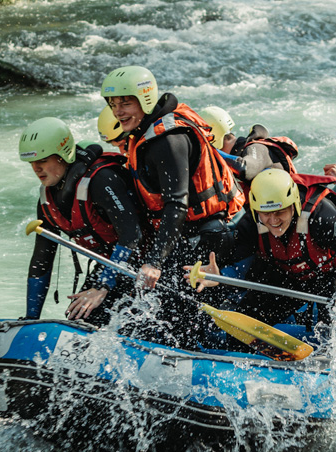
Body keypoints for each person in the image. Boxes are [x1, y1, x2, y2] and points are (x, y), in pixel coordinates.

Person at [188, 168, 336, 336]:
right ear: (256, 211)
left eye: (280, 211)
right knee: (240, 327)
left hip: (332, 275)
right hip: (289, 278)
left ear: (294, 204)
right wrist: (220, 276)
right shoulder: (253, 222)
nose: (273, 220)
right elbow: (237, 262)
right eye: (266, 213)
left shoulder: (320, 216)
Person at [100, 65, 245, 288]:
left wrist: (154, 262)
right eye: (113, 105)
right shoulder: (144, 135)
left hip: (210, 238)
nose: (118, 112)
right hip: (184, 236)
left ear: (145, 99)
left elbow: (177, 204)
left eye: (126, 103)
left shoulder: (168, 141)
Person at [20, 117, 142, 326]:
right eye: (32, 163)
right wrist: (31, 319)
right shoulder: (46, 201)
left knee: (114, 320)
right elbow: (42, 262)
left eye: (42, 161)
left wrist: (104, 286)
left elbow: (132, 233)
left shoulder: (100, 180)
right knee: (79, 316)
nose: (36, 169)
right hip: (109, 266)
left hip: (142, 264)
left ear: (61, 156)